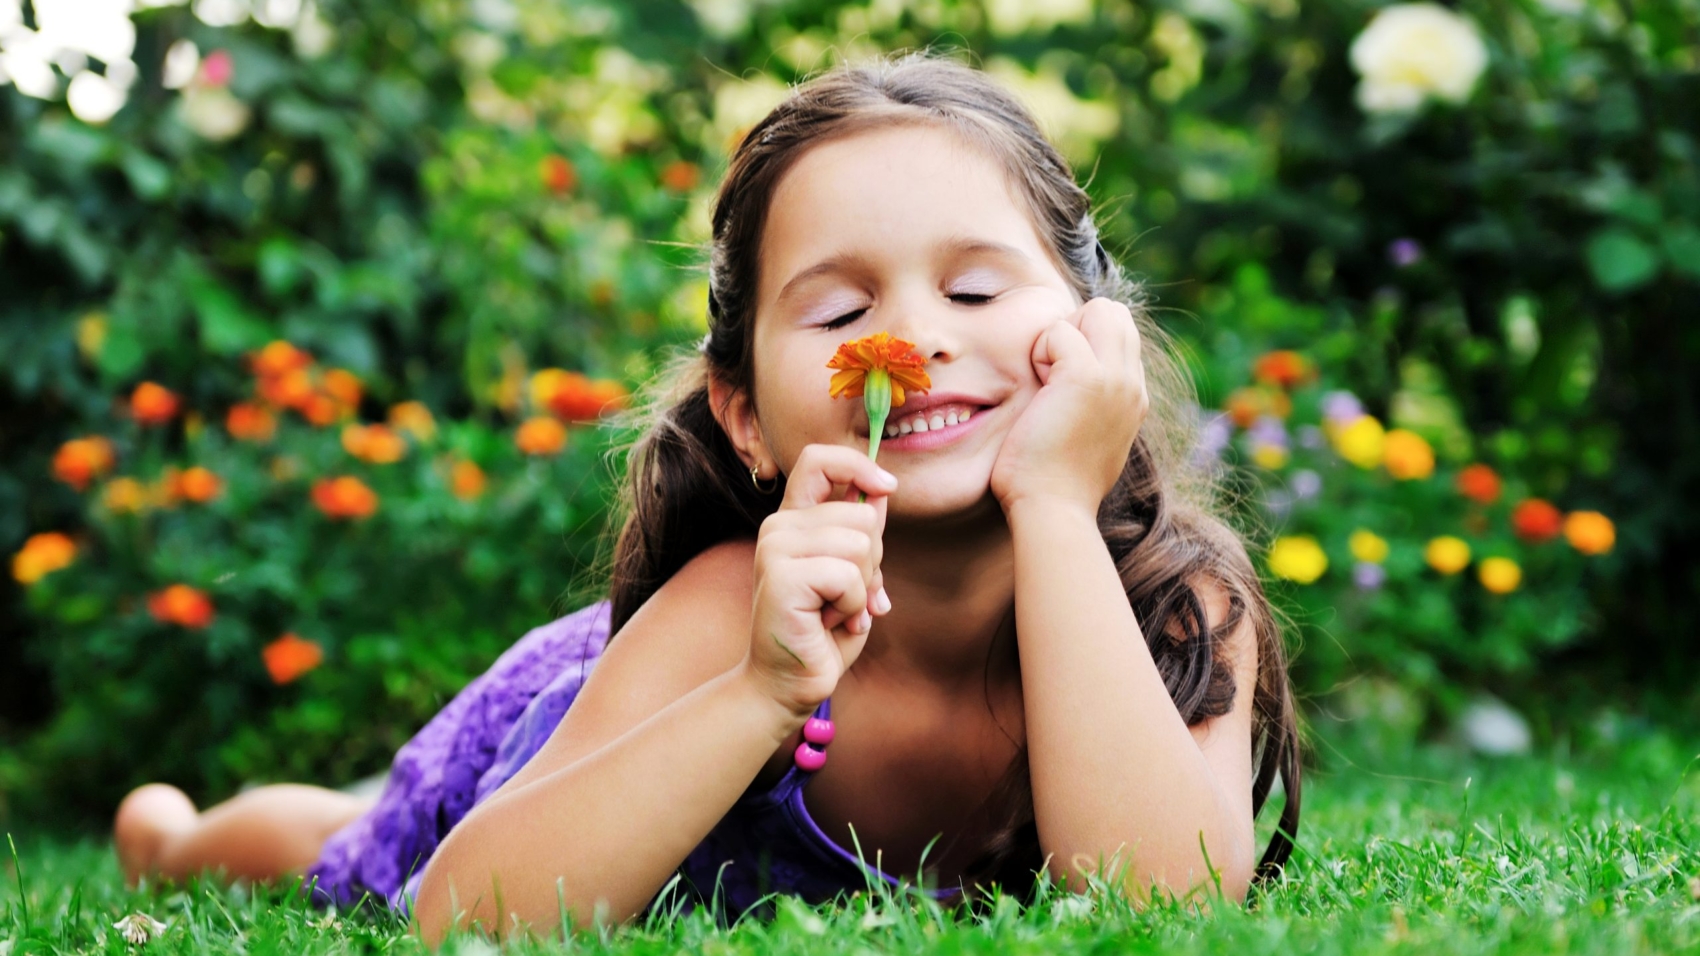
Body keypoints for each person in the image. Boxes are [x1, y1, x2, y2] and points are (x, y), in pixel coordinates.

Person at [113, 51, 1301, 943]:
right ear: (742, 413)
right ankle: (167, 835)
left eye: (979, 289)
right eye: (838, 315)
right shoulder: (730, 604)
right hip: (587, 732)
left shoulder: (1175, 606)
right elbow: (462, 919)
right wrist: (760, 689)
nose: (910, 338)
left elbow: (1161, 906)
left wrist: (1051, 501)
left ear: (1094, 329)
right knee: (337, 847)